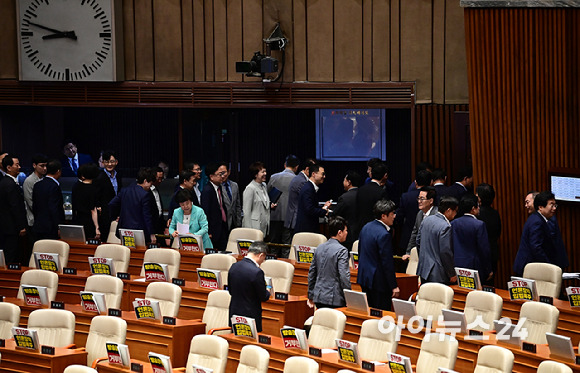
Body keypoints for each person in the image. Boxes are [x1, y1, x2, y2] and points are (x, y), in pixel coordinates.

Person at [357, 200, 400, 311]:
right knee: (380, 314)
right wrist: (393, 285)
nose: (394, 216)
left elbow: (360, 251)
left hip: (365, 277)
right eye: (392, 214)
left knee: (368, 311)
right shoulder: (384, 234)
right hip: (379, 282)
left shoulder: (366, 227)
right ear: (383, 216)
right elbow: (387, 263)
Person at [513, 191, 569, 276]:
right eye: (551, 205)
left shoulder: (538, 218)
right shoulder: (537, 221)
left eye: (555, 205)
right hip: (529, 267)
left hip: (532, 266)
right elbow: (536, 247)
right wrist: (549, 266)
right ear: (540, 207)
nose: (554, 208)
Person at [307, 216, 352, 309]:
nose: (347, 233)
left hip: (318, 296)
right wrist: (349, 296)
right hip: (335, 299)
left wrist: (311, 294)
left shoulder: (319, 247)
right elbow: (344, 276)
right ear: (340, 232)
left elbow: (312, 273)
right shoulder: (342, 250)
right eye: (346, 230)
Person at [228, 241, 271, 332]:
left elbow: (230, 291)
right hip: (250, 317)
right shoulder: (257, 272)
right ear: (261, 255)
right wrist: (268, 290)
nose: (263, 261)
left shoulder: (234, 267)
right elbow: (263, 296)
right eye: (264, 258)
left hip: (234, 314)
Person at [416, 196, 459, 284]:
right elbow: (445, 252)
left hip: (423, 270)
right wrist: (451, 274)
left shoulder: (426, 220)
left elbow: (418, 241)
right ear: (449, 210)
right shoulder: (445, 226)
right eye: (455, 211)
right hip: (438, 274)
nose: (455, 214)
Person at [109, 167, 157, 244]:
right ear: (145, 181)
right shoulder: (145, 195)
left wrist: (115, 217)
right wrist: (151, 233)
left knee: (126, 251)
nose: (150, 187)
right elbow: (147, 216)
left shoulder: (124, 190)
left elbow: (112, 204)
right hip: (139, 232)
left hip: (124, 229)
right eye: (150, 184)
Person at [451, 194, 493, 281]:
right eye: (478, 206)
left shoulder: (454, 223)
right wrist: (488, 269)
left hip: (457, 265)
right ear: (473, 209)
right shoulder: (479, 225)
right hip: (474, 266)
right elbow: (484, 249)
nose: (479, 208)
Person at [395, 169, 432, 254]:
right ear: (431, 182)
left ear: (415, 183)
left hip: (408, 236)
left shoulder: (406, 197)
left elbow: (399, 216)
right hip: (429, 238)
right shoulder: (434, 197)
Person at [267, 155, 299, 249]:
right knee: (287, 246)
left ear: (285, 165)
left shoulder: (273, 177)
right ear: (296, 167)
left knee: (273, 245)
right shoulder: (297, 180)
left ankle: (271, 263)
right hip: (290, 217)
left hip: (274, 215)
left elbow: (266, 195)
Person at [0, 155, 27, 263]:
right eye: (17, 165)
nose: (19, 167)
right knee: (11, 256)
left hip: (5, 226)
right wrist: (21, 226)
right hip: (11, 227)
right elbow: (15, 207)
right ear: (9, 168)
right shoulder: (10, 184)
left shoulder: (4, 182)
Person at [354, 161, 389, 239]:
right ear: (384, 176)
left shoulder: (361, 189)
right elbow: (382, 212)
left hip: (361, 229)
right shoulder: (381, 192)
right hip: (375, 231)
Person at [402, 186, 438, 259]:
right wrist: (409, 252)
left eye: (422, 199)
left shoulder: (437, 215)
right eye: (418, 198)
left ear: (431, 201)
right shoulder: (420, 213)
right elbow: (414, 234)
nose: (419, 201)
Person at [294, 164, 331, 234]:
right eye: (322, 174)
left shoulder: (309, 187)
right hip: (306, 230)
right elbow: (310, 210)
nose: (324, 177)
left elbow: (311, 206)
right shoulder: (308, 189)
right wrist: (324, 211)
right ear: (313, 174)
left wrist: (323, 207)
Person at [33, 159, 65, 240]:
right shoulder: (54, 187)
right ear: (58, 171)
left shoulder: (37, 184)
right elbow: (54, 209)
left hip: (38, 225)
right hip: (51, 228)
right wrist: (59, 227)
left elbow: (34, 206)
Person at [476, 183, 501, 282]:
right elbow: (498, 233)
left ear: (479, 198)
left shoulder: (477, 215)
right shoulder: (495, 214)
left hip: (479, 256)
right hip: (493, 253)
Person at [284, 158, 317, 235]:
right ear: (307, 169)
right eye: (314, 171)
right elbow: (308, 202)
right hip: (297, 220)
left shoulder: (299, 178)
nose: (314, 174)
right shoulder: (302, 181)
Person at [201, 162, 229, 251]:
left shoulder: (219, 187)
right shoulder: (207, 190)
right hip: (213, 230)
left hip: (222, 227)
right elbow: (206, 212)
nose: (222, 176)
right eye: (219, 174)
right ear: (211, 176)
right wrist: (208, 231)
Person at [94, 150, 122, 239]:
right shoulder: (99, 177)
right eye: (106, 162)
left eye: (112, 161)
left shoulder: (118, 176)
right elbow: (96, 196)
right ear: (103, 163)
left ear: (116, 162)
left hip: (117, 212)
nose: (109, 164)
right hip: (105, 214)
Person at [242, 162, 274, 237]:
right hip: (254, 227)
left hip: (264, 226)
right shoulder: (250, 188)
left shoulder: (264, 185)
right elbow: (246, 212)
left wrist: (270, 206)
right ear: (255, 174)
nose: (265, 173)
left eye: (265, 171)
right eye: (263, 172)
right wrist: (249, 232)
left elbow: (263, 203)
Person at [332, 170, 362, 249]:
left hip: (348, 235)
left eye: (344, 180)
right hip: (362, 234)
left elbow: (335, 214)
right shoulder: (364, 196)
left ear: (349, 182)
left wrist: (328, 212)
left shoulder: (344, 198)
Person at [71, 163, 102, 239]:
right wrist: (97, 227)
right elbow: (93, 210)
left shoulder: (76, 186)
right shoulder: (92, 189)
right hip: (88, 221)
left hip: (77, 220)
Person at [23, 153, 48, 232]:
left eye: (46, 166)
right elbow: (30, 202)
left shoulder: (44, 179)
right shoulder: (29, 181)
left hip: (44, 218)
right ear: (34, 165)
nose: (44, 168)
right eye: (42, 166)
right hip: (34, 220)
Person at [221, 163, 242, 232]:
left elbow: (238, 205)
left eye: (224, 173)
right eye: (220, 173)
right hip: (223, 222)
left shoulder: (235, 185)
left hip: (235, 222)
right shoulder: (218, 187)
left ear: (229, 172)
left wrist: (239, 222)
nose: (222, 175)